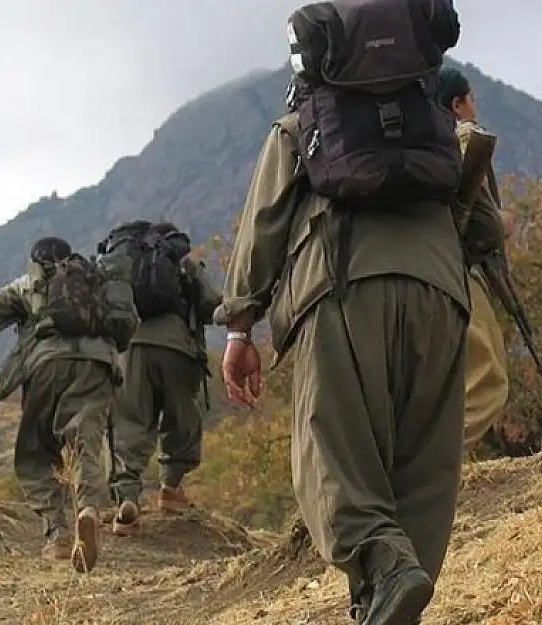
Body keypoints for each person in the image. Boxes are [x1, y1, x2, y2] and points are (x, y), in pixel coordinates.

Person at [218, 2, 470, 622]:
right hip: (442, 296)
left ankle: (382, 568)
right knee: (423, 469)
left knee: (328, 451)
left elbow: (263, 227)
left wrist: (240, 325)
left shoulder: (300, 127)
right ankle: (392, 599)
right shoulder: (435, 122)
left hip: (343, 288)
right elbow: (484, 226)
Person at [0, 236, 137, 573]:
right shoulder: (97, 280)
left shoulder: (29, 284)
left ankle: (58, 534)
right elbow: (125, 324)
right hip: (98, 364)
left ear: (35, 260)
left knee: (36, 451)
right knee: (85, 441)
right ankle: (88, 508)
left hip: (47, 365)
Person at [101, 221, 222, 536]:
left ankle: (127, 498)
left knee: (129, 421)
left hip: (130, 349)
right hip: (177, 347)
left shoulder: (125, 265)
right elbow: (211, 304)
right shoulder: (181, 261)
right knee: (181, 416)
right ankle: (171, 488)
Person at [436, 68, 513, 451]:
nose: (474, 106)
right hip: (451, 270)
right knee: (488, 382)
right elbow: (483, 227)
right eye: (471, 99)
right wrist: (502, 222)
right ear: (457, 104)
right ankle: (430, 468)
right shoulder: (463, 140)